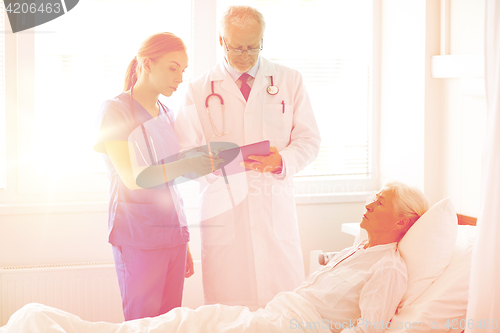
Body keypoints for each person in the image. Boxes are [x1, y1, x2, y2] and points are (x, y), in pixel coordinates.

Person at [0, 182, 429, 333]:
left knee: (185, 324)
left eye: (381, 200)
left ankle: (44, 326)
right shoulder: (360, 250)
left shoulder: (388, 266)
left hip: (286, 328)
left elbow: (371, 329)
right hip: (271, 318)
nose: (370, 203)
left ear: (405, 220)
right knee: (182, 322)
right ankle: (46, 325)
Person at [174, 5, 321, 309]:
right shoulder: (198, 89)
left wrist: (281, 162)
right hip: (225, 214)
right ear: (221, 41)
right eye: (237, 47)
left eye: (253, 47)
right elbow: (185, 154)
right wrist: (215, 163)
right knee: (228, 317)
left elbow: (309, 140)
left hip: (273, 214)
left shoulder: (288, 80)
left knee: (283, 313)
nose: (245, 55)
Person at [92, 32, 220, 321]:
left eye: (183, 70)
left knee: (171, 323)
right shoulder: (115, 110)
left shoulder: (167, 113)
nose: (179, 77)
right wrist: (188, 162)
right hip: (137, 236)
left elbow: (169, 186)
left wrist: (182, 241)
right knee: (142, 323)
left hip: (172, 237)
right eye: (172, 68)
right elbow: (132, 178)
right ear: (146, 64)